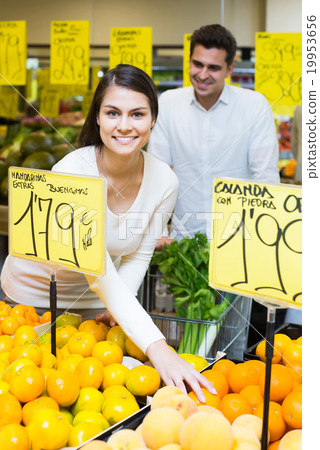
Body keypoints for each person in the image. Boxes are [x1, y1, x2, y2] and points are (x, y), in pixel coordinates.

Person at [0, 64, 215, 401]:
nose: (125, 126)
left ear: (153, 119)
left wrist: (115, 309)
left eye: (137, 114)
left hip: (93, 305)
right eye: (113, 113)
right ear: (97, 117)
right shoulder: (72, 172)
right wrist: (158, 347)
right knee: (28, 394)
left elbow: (138, 255)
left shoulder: (164, 181)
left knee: (82, 395)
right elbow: (98, 271)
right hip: (31, 300)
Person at [148, 24, 280, 242]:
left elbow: (265, 177)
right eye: (197, 64)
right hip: (183, 241)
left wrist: (265, 241)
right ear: (189, 61)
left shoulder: (254, 106)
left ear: (230, 69)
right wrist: (159, 232)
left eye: (213, 68)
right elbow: (157, 174)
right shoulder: (169, 103)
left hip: (241, 240)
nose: (202, 74)